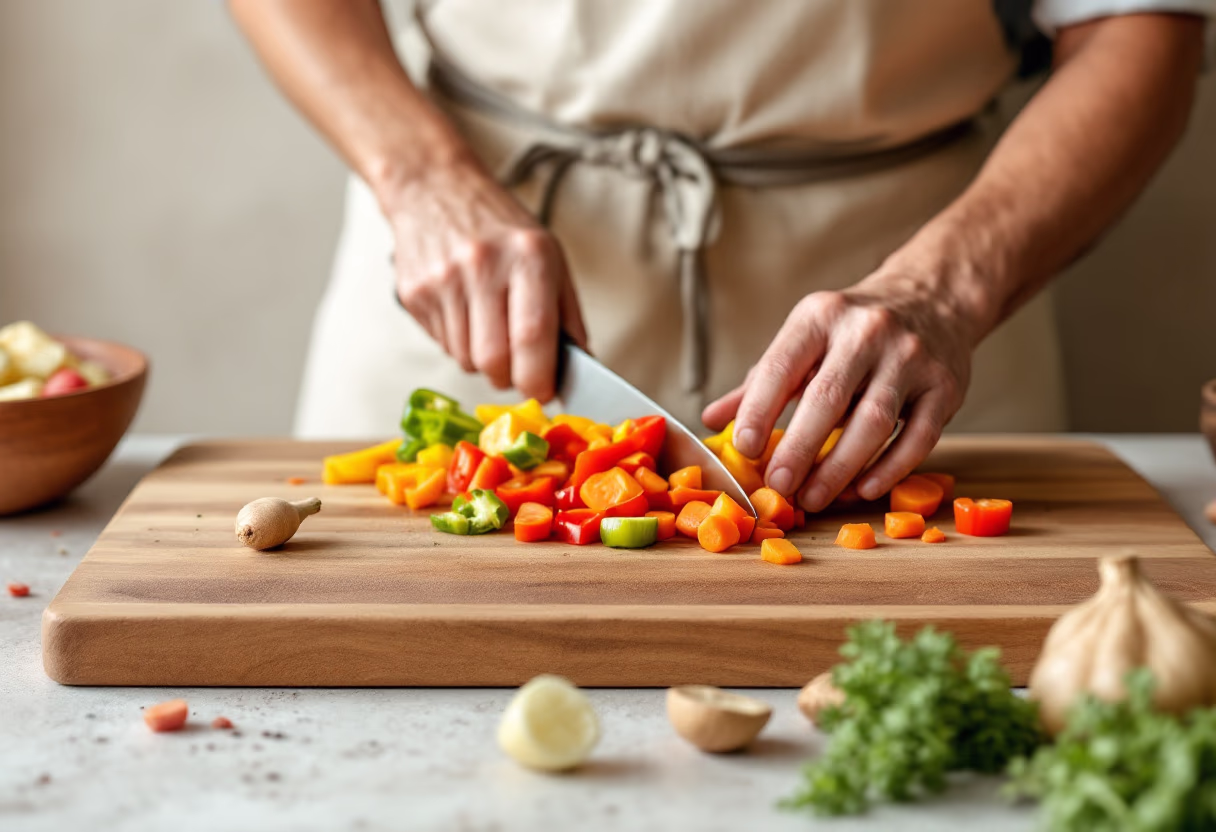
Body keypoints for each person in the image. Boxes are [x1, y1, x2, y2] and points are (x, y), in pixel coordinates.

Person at [231, 0, 1210, 512]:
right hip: (464, 272)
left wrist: (939, 289)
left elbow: (1139, 28)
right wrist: (419, 178)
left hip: (913, 310)